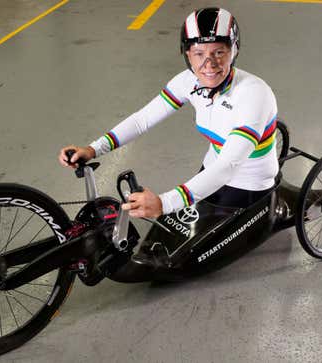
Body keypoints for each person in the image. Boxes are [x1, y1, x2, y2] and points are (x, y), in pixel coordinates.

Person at [59, 7, 278, 219]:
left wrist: (165, 203)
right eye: (199, 53)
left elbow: (228, 165)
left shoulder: (254, 94)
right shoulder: (188, 81)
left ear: (233, 51)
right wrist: (93, 149)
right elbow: (142, 120)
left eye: (219, 52)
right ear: (187, 55)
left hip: (248, 181)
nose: (209, 64)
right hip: (211, 168)